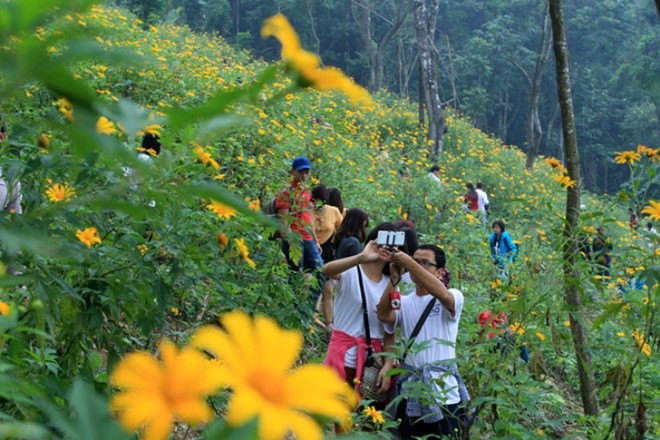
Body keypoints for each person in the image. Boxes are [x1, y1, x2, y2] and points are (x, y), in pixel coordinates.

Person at [377, 244, 469, 439]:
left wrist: (409, 263)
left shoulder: (453, 296)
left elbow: (443, 295)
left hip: (444, 393)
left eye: (425, 263)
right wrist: (394, 280)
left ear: (440, 271)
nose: (417, 266)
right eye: (415, 260)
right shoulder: (406, 301)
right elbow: (384, 315)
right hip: (410, 391)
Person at [322, 223, 398, 407]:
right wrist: (361, 257)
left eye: (393, 245)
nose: (386, 248)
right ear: (373, 241)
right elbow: (326, 270)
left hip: (372, 365)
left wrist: (388, 364)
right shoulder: (351, 273)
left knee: (367, 425)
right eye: (383, 242)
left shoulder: (391, 283)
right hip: (344, 359)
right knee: (340, 421)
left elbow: (390, 331)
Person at [276, 156, 324, 311]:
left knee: (321, 272)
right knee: (296, 278)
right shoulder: (285, 192)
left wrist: (316, 241)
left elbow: (308, 219)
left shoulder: (306, 192)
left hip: (308, 239)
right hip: (294, 240)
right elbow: (284, 221)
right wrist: (292, 242)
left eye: (307, 171)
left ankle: (307, 312)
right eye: (301, 171)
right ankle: (293, 311)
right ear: (293, 171)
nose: (304, 174)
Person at [311, 184, 343, 328]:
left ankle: (329, 323)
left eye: (319, 199)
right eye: (313, 199)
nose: (316, 202)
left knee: (328, 289)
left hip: (327, 251)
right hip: (310, 249)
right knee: (311, 284)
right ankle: (311, 317)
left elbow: (340, 230)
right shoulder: (307, 212)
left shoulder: (334, 211)